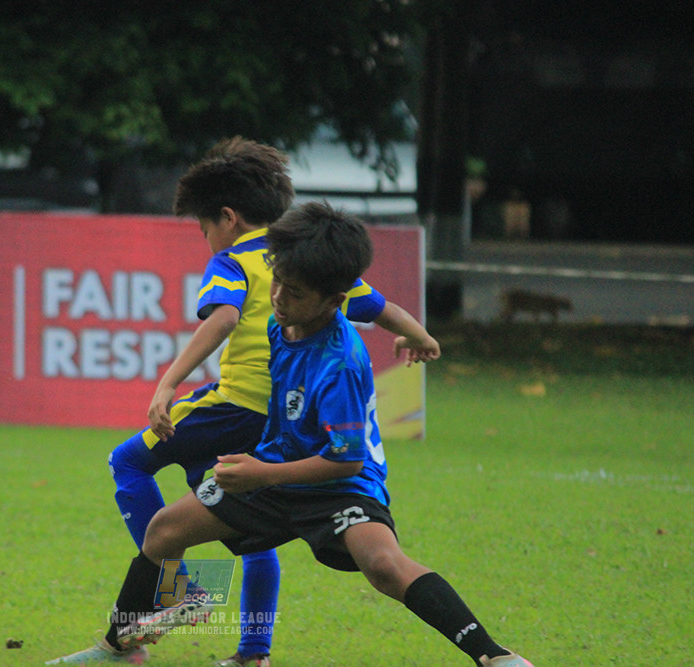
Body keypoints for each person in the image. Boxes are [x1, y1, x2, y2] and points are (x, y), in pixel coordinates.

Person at [48, 202, 532, 667]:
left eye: (294, 292)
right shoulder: (284, 326)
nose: (278, 298)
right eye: (277, 282)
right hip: (277, 470)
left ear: (334, 300)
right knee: (163, 531)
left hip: (338, 487)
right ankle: (122, 645)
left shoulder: (340, 362)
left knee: (383, 566)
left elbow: (346, 461)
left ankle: (493, 654)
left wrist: (264, 472)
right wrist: (421, 337)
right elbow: (373, 319)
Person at [107, 138, 441, 666]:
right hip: (285, 418)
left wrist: (168, 383)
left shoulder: (235, 259)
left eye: (204, 228)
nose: (206, 240)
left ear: (228, 217)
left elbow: (221, 318)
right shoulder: (312, 258)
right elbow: (383, 308)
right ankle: (253, 652)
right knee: (250, 527)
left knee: (127, 461)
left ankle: (182, 592)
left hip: (234, 404)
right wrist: (421, 337)